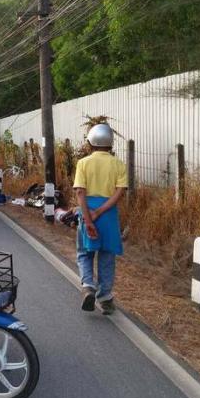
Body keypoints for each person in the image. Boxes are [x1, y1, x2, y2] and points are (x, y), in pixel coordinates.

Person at [73, 124, 127, 315]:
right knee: (107, 255)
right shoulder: (118, 164)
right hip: (109, 215)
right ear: (110, 143)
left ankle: (88, 286)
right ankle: (105, 298)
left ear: (91, 142)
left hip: (87, 211)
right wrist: (101, 211)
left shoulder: (83, 163)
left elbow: (80, 192)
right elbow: (120, 192)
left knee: (84, 252)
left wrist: (88, 219)